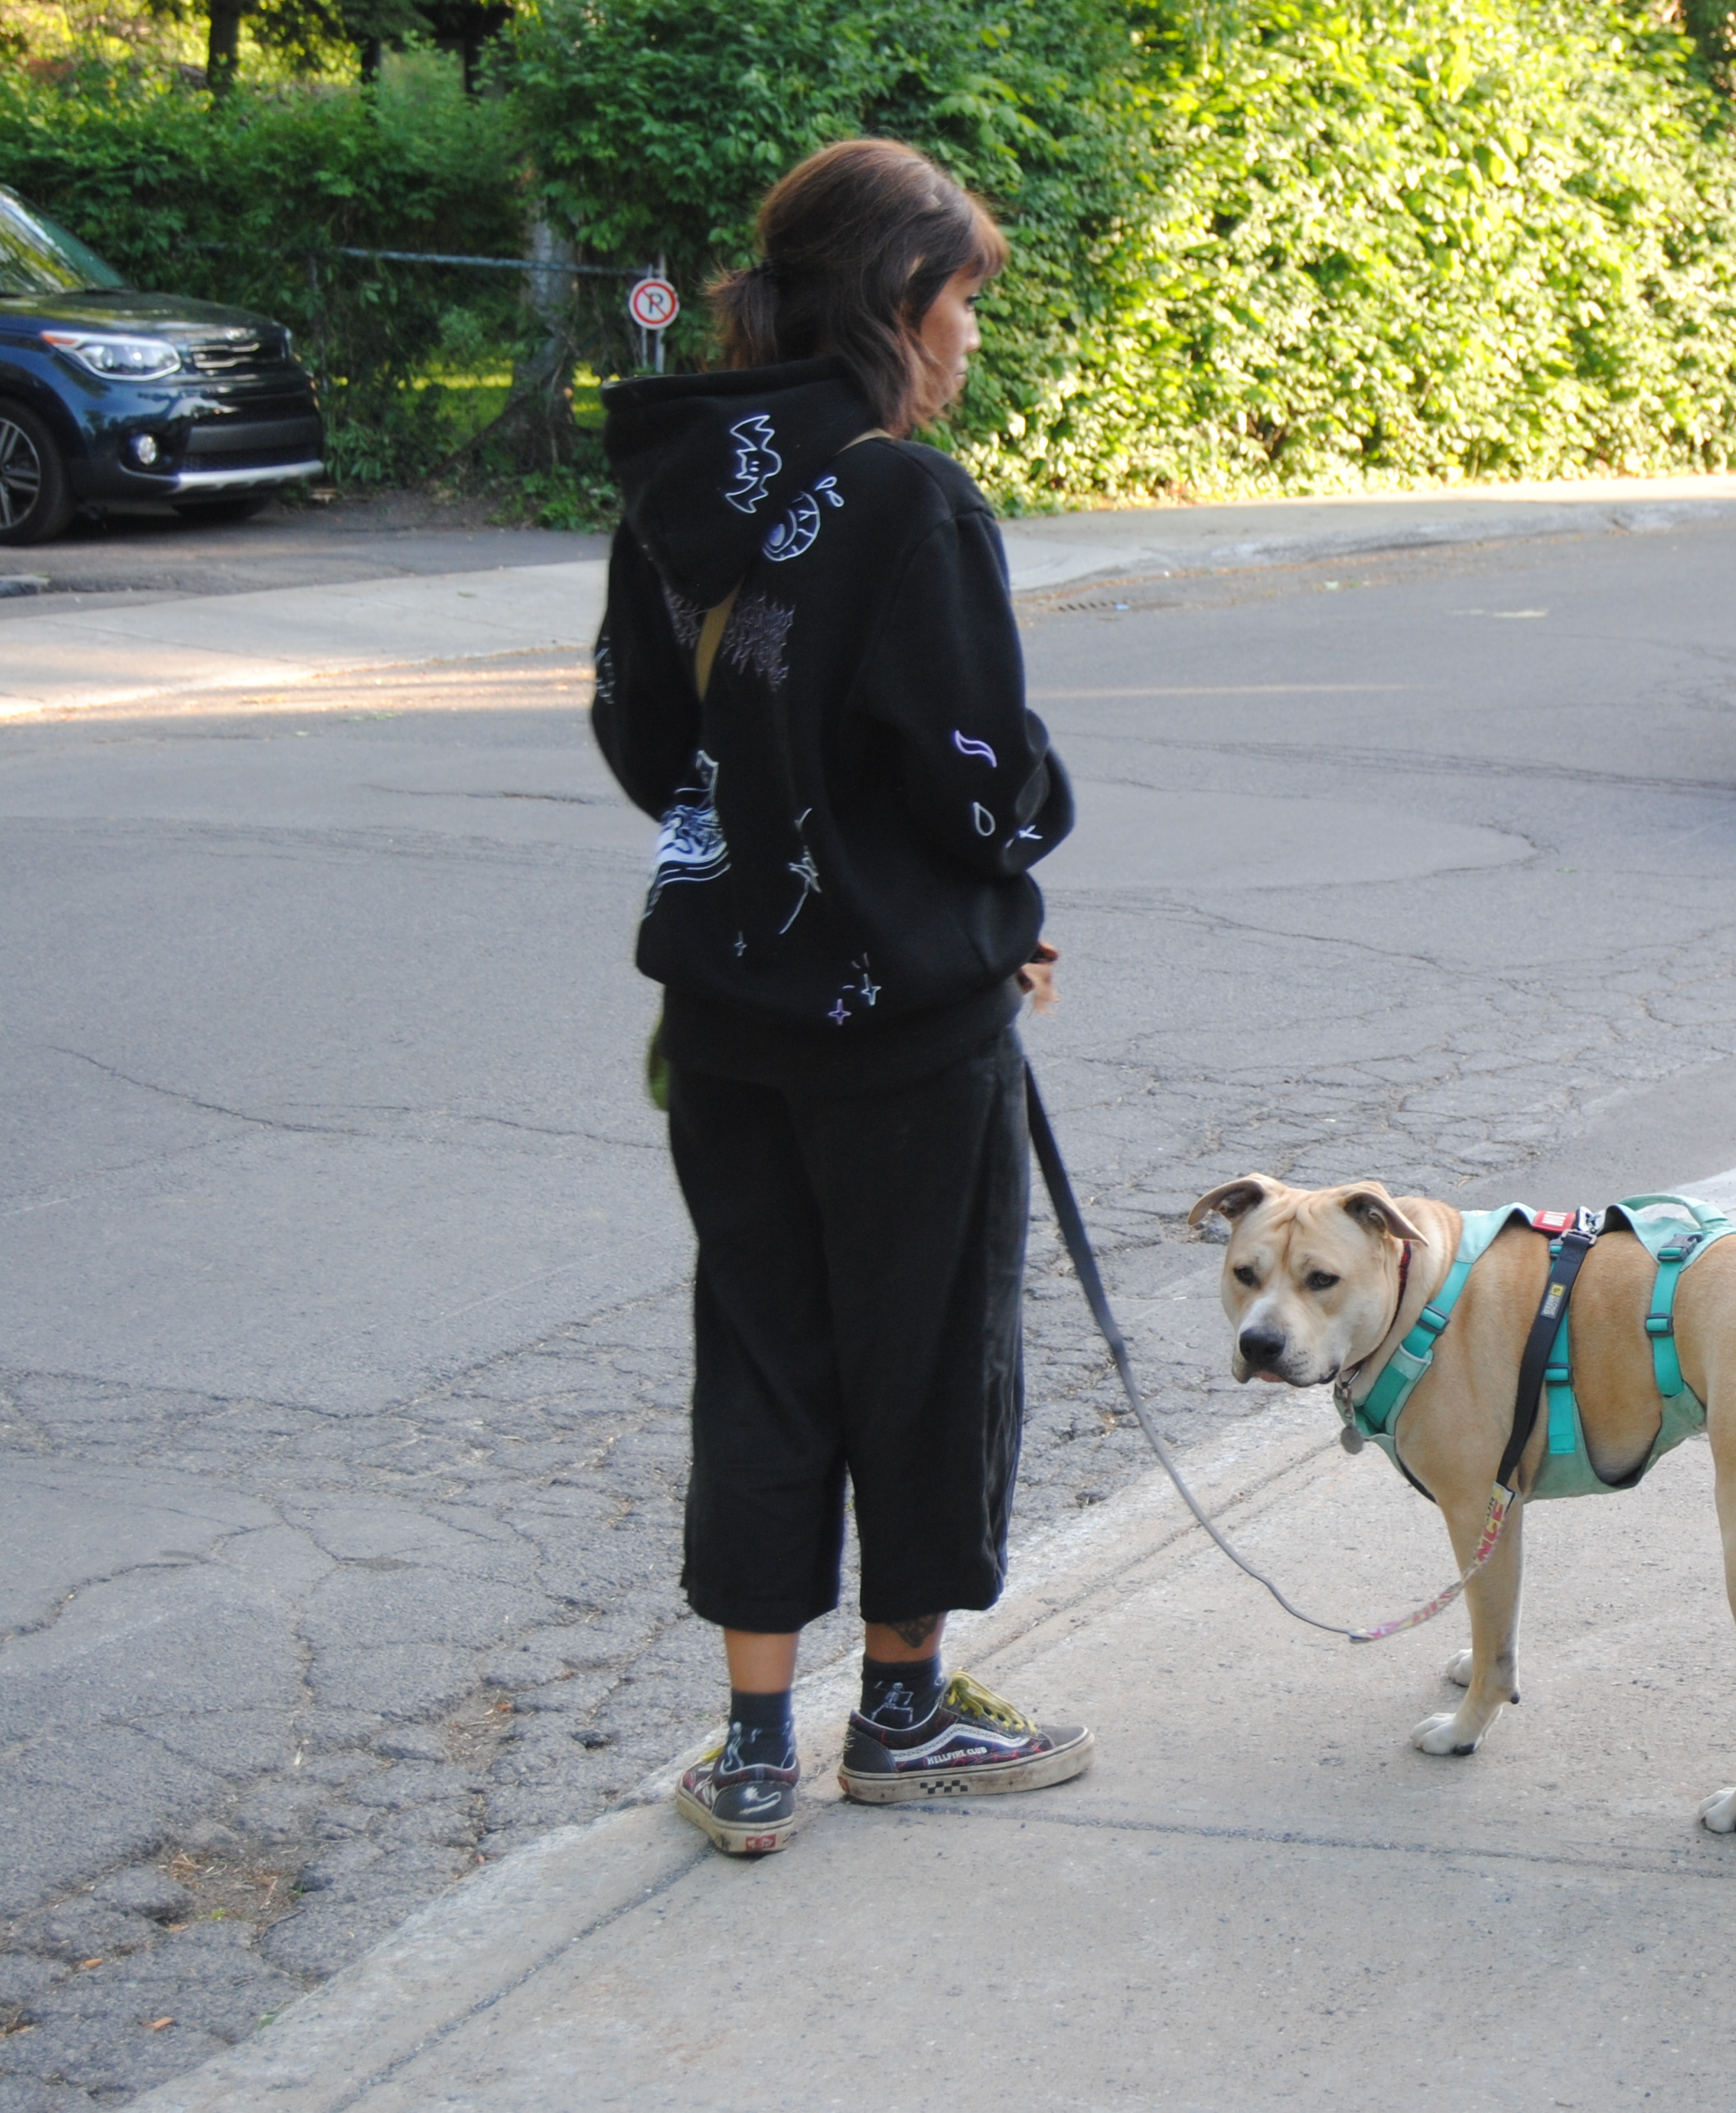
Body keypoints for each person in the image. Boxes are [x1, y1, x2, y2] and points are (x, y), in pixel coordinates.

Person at [592, 137, 1086, 1857]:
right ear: (897, 301)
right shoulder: (908, 500)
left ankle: (745, 1750)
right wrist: (1012, 861)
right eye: (962, 302)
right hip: (906, 1025)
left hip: (726, 1009)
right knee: (927, 1357)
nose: (969, 341)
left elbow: (651, 748)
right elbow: (974, 786)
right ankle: (897, 1713)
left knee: (762, 1349)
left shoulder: (676, 493)